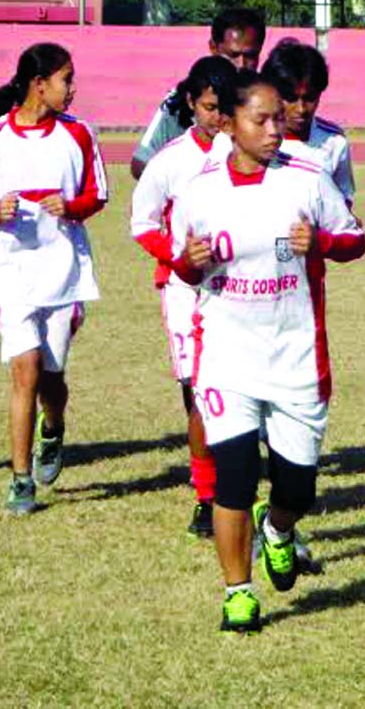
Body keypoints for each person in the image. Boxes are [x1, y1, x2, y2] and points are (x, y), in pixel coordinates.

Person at [172, 71, 365, 634]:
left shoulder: (307, 178)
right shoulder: (199, 190)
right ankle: (238, 592)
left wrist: (323, 243)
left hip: (295, 356)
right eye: (262, 120)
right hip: (227, 356)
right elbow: (183, 267)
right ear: (229, 125)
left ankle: (278, 528)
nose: (276, 129)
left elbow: (355, 239)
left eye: (279, 118)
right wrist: (190, 260)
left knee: (297, 487)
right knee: (233, 476)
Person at [0, 43, 108, 515]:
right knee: (26, 369)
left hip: (62, 271)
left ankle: (53, 427)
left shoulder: (78, 135)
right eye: (66, 79)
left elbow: (98, 192)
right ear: (40, 85)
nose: (73, 88)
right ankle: (21, 480)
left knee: (52, 378)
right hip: (10, 272)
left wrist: (74, 206)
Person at [130, 56, 237, 539]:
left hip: (240, 289)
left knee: (237, 389)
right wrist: (179, 258)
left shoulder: (249, 152)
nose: (217, 118)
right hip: (186, 291)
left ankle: (238, 478)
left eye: (224, 108)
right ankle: (206, 495)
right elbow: (143, 223)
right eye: (210, 108)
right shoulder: (171, 159)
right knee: (198, 391)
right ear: (191, 104)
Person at [130, 8, 266, 180]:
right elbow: (141, 163)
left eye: (250, 56)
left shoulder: (271, 103)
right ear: (213, 48)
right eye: (233, 55)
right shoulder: (179, 101)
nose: (241, 64)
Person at [260, 38, 355, 205]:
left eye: (310, 98)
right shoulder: (252, 139)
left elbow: (342, 202)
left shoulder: (334, 141)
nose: (301, 109)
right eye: (290, 98)